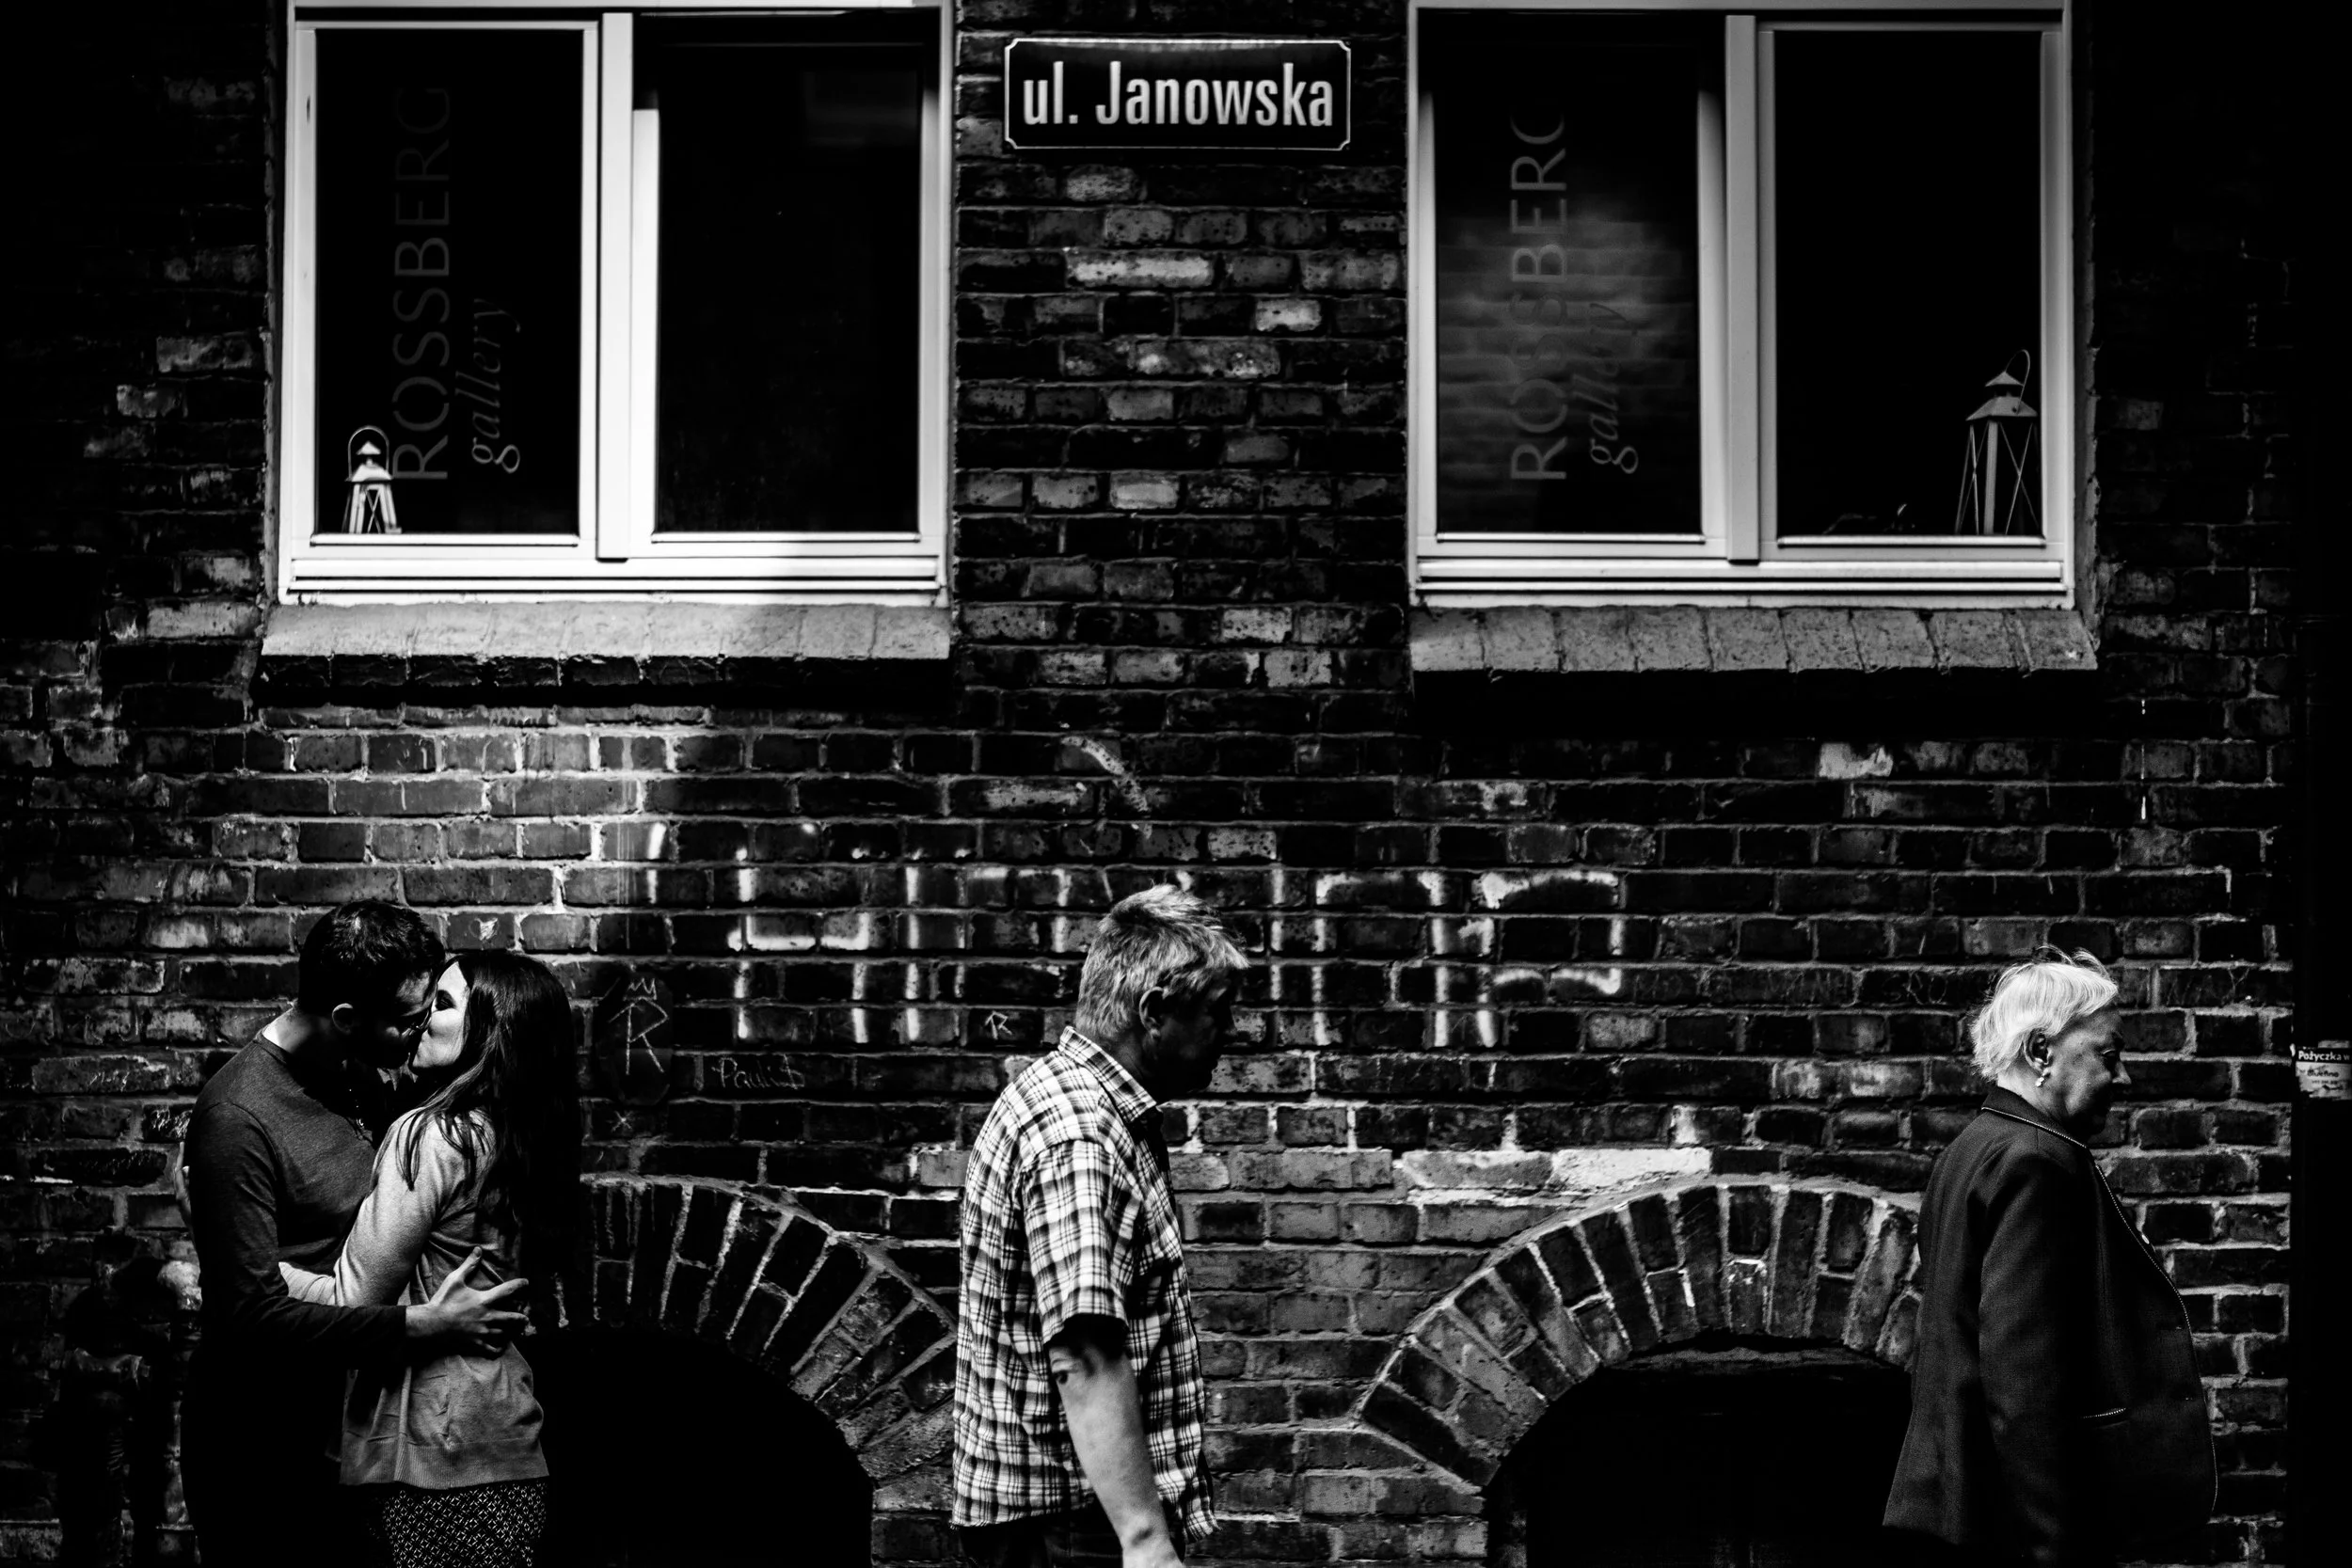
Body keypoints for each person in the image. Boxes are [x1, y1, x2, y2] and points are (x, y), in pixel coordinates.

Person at [181, 900, 531, 1566]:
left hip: (340, 1434)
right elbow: (248, 1313)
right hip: (258, 1446)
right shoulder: (238, 1115)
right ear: (346, 1019)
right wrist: (418, 1326)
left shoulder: (364, 1078)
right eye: (406, 1020)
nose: (419, 1028)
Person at [1883, 951, 2214, 1566]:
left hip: (1960, 1509)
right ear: (2041, 1052)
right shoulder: (2037, 1160)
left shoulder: (1971, 1148)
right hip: (2010, 1529)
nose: (2125, 1077)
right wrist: (2052, 1549)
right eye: (2108, 1055)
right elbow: (2022, 1379)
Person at [954, 885, 1246, 1568]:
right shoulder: (1080, 1135)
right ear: (1154, 1011)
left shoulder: (1076, 1102)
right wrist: (1145, 1542)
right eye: (1216, 1013)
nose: (1227, 1034)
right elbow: (1083, 1354)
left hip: (1066, 1517)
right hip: (1073, 1526)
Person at [278, 950, 581, 1568]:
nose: (420, 1019)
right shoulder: (521, 1143)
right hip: (509, 1448)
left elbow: (350, 1308)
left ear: (490, 1030)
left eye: (441, 1004)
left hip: (430, 1460)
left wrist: (254, 1270)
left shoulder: (432, 1135)